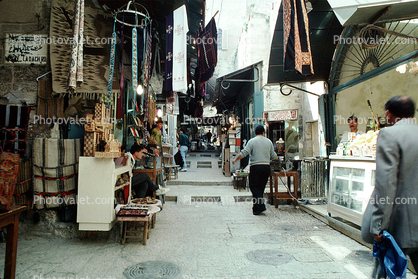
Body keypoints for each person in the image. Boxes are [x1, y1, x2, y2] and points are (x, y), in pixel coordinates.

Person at [361, 96, 418, 278]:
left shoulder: (389, 134)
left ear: (388, 113)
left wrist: (378, 227)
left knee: (386, 271)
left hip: (400, 222)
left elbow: (385, 184)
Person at [232, 125, 278, 215]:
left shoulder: (252, 141)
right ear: (263, 133)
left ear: (255, 133)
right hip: (266, 167)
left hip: (255, 167)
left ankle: (261, 206)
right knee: (260, 188)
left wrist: (235, 159)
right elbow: (273, 156)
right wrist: (277, 159)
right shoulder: (269, 142)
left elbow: (244, 153)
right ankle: (256, 209)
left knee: (253, 187)